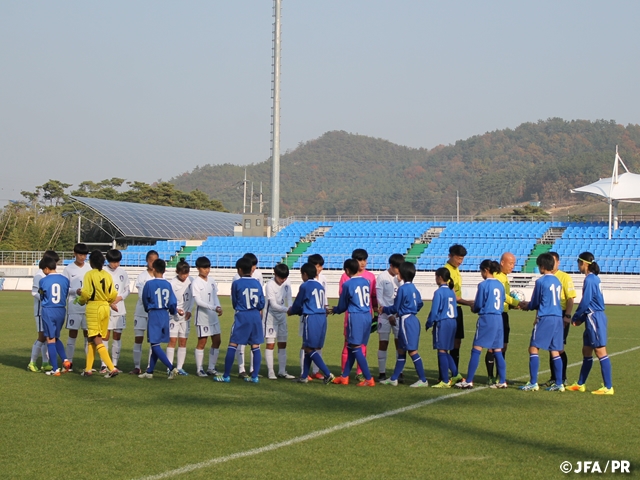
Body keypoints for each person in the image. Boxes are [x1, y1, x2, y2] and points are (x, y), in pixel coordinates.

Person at [454, 260, 507, 389]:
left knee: (476, 349)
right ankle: (502, 381)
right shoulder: (500, 285)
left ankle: (469, 380)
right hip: (499, 318)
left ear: (486, 270)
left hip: (487, 318)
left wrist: (474, 308)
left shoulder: (483, 285)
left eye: (481, 270)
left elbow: (478, 304)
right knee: (498, 350)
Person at [567, 252, 614, 395]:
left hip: (594, 317)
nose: (578, 266)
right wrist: (582, 319)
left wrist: (575, 316)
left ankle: (608, 387)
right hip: (590, 316)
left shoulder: (590, 279)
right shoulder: (592, 278)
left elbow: (586, 301)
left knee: (600, 351)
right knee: (586, 351)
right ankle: (580, 384)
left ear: (584, 263)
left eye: (578, 263)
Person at [214, 257, 265, 383]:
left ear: (240, 270)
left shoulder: (237, 283)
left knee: (233, 344)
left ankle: (226, 376)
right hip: (255, 315)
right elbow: (262, 302)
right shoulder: (257, 283)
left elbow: (234, 303)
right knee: (255, 346)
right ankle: (255, 377)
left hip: (242, 315)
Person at [378, 262, 428, 387]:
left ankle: (423, 379)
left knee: (412, 351)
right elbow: (420, 304)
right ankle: (394, 378)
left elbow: (395, 307)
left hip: (406, 321)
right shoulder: (414, 289)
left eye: (399, 272)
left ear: (403, 274)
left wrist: (384, 310)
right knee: (401, 350)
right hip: (412, 319)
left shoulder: (402, 289)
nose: (397, 275)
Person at [519, 253, 564, 392]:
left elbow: (535, 302)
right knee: (555, 350)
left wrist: (525, 306)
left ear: (543, 266)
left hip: (546, 317)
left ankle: (533, 382)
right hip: (558, 317)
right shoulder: (557, 281)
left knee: (533, 348)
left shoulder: (541, 281)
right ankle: (559, 383)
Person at [287, 263, 334, 384]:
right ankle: (304, 376)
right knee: (309, 347)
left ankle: (327, 373)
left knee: (308, 348)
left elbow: (298, 304)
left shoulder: (305, 286)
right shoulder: (319, 286)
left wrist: (291, 311)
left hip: (311, 317)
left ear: (305, 274)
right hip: (322, 317)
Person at [331, 259, 375, 387]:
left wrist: (334, 310)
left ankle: (368, 378)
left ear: (347, 270)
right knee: (352, 347)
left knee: (355, 347)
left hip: (355, 316)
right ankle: (344, 377)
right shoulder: (366, 281)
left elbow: (342, 306)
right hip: (367, 315)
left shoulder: (347, 284)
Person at [77, 250, 119, 378]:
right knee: (92, 338)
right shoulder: (107, 275)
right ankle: (88, 369)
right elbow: (113, 294)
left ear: (91, 262)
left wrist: (80, 298)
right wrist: (108, 301)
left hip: (93, 307)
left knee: (96, 338)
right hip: (105, 307)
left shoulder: (89, 274)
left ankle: (112, 368)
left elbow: (86, 293)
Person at [138, 259, 180, 380]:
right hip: (165, 314)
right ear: (164, 270)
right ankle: (149, 371)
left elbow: (145, 299)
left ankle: (171, 368)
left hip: (155, 313)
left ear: (154, 269)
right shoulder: (168, 284)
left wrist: (148, 309)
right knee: (156, 343)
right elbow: (173, 302)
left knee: (155, 344)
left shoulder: (149, 284)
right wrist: (172, 312)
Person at [485, 252, 522, 384]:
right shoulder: (497, 277)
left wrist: (511, 306)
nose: (512, 266)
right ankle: (490, 376)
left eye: (514, 264)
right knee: (492, 347)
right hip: (496, 315)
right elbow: (503, 296)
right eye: (510, 263)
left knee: (503, 346)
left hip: (504, 315)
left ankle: (499, 375)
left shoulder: (505, 277)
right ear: (502, 263)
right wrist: (517, 303)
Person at [543, 252, 576, 387]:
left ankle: (562, 377)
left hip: (560, 314)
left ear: (558, 262)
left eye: (554, 260)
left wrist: (567, 316)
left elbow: (570, 297)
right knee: (552, 347)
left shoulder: (564, 277)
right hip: (549, 314)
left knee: (559, 347)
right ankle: (554, 377)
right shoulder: (546, 277)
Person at [425, 267, 462, 388]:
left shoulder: (439, 292)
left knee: (441, 350)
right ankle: (456, 374)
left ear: (440, 278)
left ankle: (445, 380)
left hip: (443, 322)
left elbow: (435, 311)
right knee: (446, 350)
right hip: (453, 321)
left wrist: (429, 323)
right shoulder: (451, 291)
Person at [38, 256, 72, 376]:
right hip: (61, 310)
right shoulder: (65, 279)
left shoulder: (43, 281)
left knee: (50, 339)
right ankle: (65, 360)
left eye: (43, 269)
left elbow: (42, 297)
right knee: (56, 337)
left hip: (49, 310)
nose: (43, 272)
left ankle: (55, 369)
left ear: (47, 268)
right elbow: (66, 293)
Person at [232, 253, 264, 378]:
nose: (254, 267)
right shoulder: (237, 278)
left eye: (255, 265)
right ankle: (241, 369)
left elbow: (261, 294)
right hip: (242, 312)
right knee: (240, 342)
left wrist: (260, 310)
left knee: (254, 342)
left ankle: (253, 369)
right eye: (253, 265)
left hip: (254, 312)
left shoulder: (258, 275)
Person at [443, 244, 474, 370]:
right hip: (449, 311)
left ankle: (454, 372)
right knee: (446, 344)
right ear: (450, 256)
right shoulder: (446, 271)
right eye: (458, 258)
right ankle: (444, 375)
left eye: (462, 259)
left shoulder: (456, 270)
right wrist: (470, 303)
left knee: (457, 343)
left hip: (457, 309)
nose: (460, 262)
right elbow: (452, 295)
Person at [191, 256, 223, 377]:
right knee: (202, 342)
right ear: (198, 268)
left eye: (208, 267)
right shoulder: (196, 282)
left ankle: (211, 368)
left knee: (217, 341)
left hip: (213, 316)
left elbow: (215, 296)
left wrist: (218, 306)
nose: (207, 270)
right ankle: (199, 369)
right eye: (204, 267)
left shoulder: (212, 281)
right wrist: (213, 307)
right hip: (202, 317)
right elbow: (198, 301)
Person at [28, 250, 58, 372]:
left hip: (48, 310)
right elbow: (34, 292)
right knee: (41, 336)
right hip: (41, 311)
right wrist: (46, 300)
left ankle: (45, 363)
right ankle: (32, 362)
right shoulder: (39, 276)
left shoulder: (47, 275)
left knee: (47, 337)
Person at [263, 263, 295, 380]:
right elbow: (273, 304)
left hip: (282, 316)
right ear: (275, 274)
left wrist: (291, 307)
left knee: (282, 343)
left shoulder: (287, 282)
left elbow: (289, 298)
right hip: (270, 317)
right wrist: (288, 309)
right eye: (281, 277)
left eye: (285, 277)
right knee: (270, 344)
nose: (283, 280)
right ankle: (271, 371)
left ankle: (282, 371)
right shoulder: (269, 285)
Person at [375, 253, 404, 381]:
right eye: (397, 267)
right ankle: (382, 373)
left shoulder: (402, 278)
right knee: (383, 343)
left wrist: (396, 313)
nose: (399, 270)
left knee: (399, 344)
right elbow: (380, 298)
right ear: (391, 266)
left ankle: (399, 372)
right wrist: (389, 314)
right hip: (385, 316)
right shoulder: (382, 277)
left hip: (398, 315)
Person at [130, 250, 159, 375]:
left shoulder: (160, 276)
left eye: (155, 260)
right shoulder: (142, 276)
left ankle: (149, 367)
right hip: (142, 311)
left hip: (154, 313)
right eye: (151, 260)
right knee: (138, 339)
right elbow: (142, 296)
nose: (153, 262)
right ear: (147, 260)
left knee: (153, 340)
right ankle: (137, 366)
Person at [62, 243, 91, 369]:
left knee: (88, 335)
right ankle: (69, 362)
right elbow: (64, 288)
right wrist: (75, 291)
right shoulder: (68, 269)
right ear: (74, 254)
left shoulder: (90, 268)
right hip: (74, 307)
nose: (82, 257)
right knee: (72, 334)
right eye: (80, 254)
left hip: (87, 307)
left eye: (84, 255)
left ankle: (88, 364)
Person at [101, 249, 129, 373]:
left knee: (117, 337)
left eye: (118, 262)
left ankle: (115, 364)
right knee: (105, 336)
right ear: (108, 261)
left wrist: (119, 298)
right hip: (106, 309)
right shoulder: (102, 272)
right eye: (113, 262)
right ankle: (104, 365)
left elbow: (127, 290)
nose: (116, 264)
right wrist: (109, 302)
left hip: (120, 308)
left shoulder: (123, 273)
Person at [167, 259, 193, 376]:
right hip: (173, 316)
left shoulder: (191, 281)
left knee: (183, 341)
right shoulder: (172, 283)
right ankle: (169, 367)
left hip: (186, 317)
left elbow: (193, 297)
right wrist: (176, 309)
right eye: (182, 273)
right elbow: (169, 300)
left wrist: (189, 310)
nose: (185, 276)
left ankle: (180, 367)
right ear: (177, 272)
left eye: (186, 273)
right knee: (172, 340)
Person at [305, 254, 329, 380]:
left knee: (318, 344)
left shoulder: (323, 279)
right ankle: (305, 372)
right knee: (306, 344)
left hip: (320, 315)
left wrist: (326, 306)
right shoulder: (307, 281)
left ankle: (315, 371)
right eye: (317, 266)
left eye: (320, 266)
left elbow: (324, 295)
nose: (319, 268)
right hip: (309, 315)